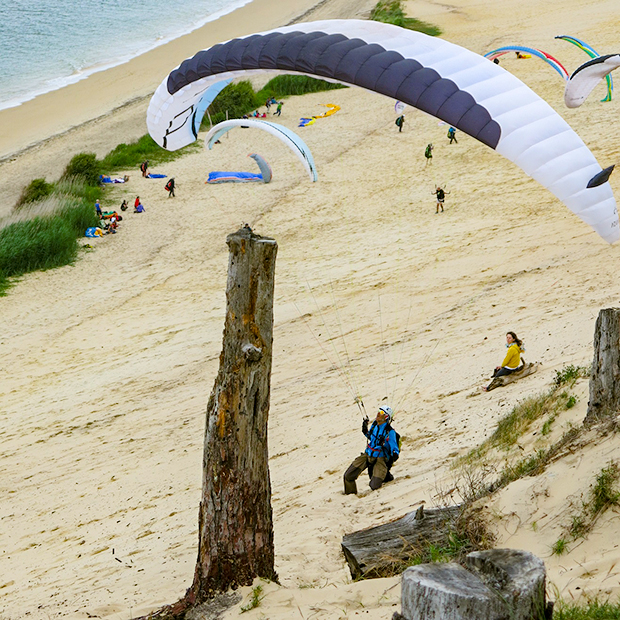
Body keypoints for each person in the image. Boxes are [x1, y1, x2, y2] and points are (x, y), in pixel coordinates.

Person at [343, 406, 400, 494]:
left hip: (380, 458)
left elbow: (394, 448)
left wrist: (393, 454)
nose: (377, 414)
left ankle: (387, 477)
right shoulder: (375, 426)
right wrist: (365, 431)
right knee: (348, 475)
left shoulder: (390, 432)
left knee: (374, 485)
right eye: (378, 411)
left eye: (381, 413)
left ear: (386, 417)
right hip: (368, 454)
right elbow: (371, 437)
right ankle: (350, 494)